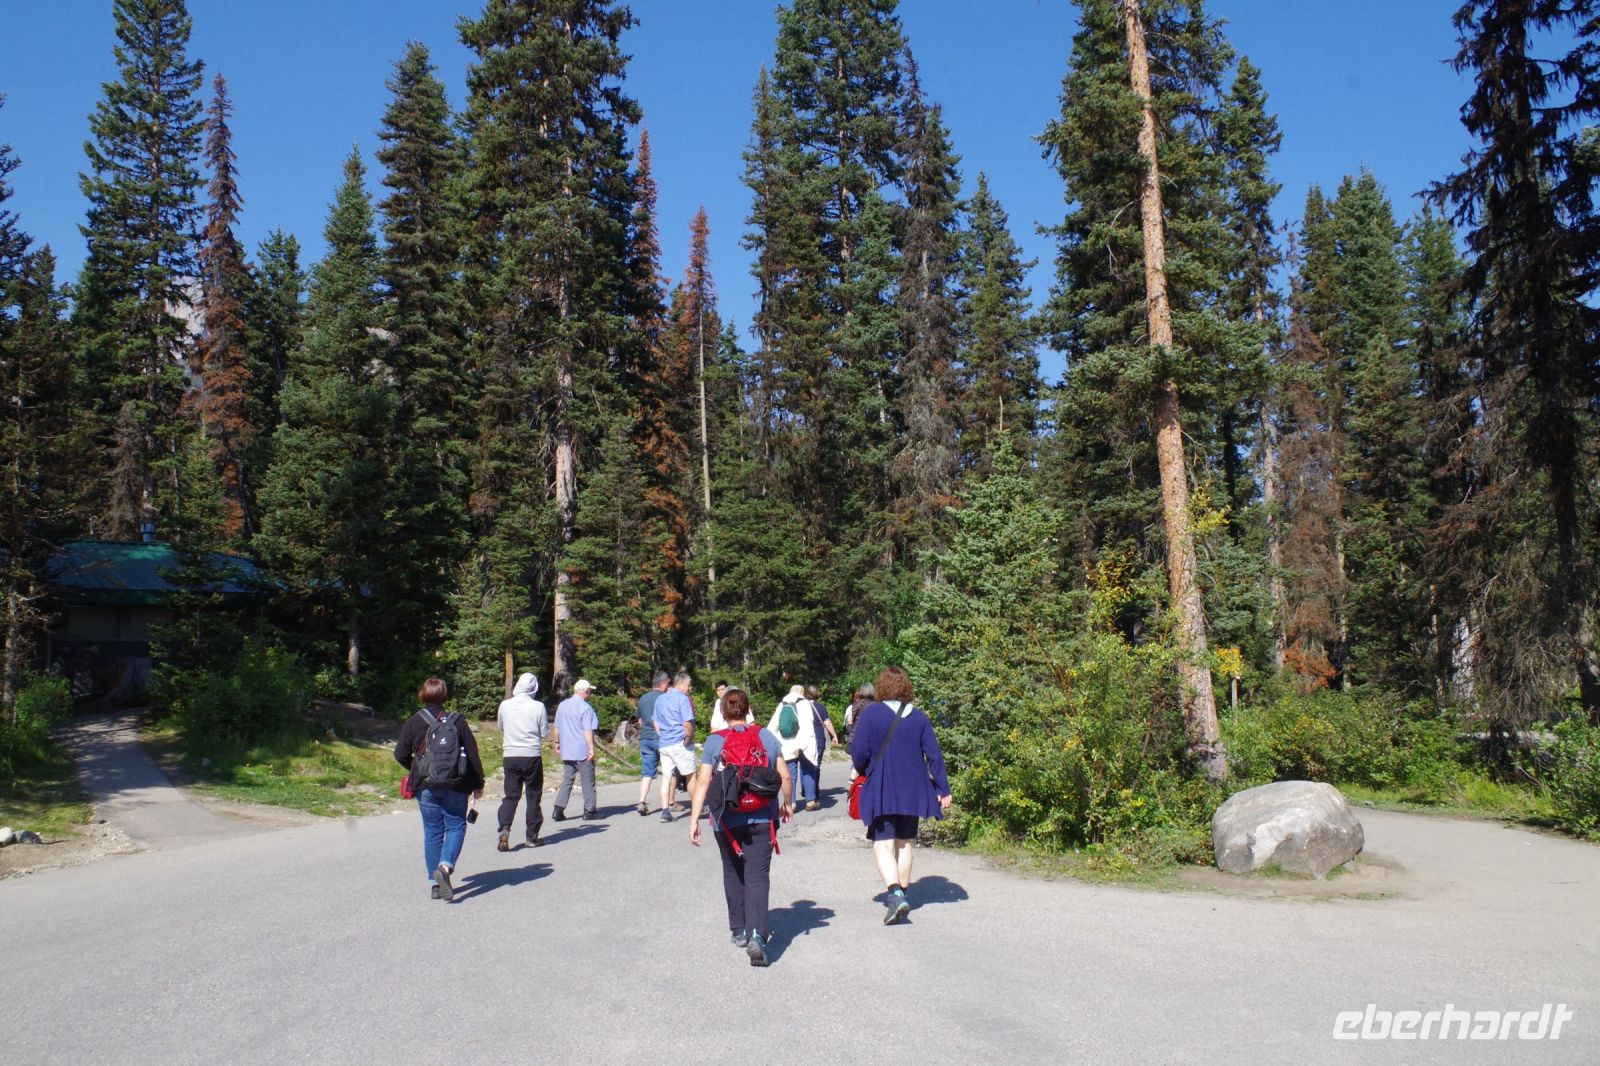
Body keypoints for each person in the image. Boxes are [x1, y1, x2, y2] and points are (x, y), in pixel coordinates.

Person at [688, 687, 793, 967]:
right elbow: (784, 775)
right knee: (757, 875)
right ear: (747, 709)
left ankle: (739, 930)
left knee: (732, 870)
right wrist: (788, 803)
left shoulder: (714, 741)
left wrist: (694, 819)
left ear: (723, 712)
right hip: (762, 817)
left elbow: (703, 782)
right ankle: (758, 934)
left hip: (726, 820)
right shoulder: (766, 737)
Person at [849, 666, 951, 925]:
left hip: (883, 785)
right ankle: (902, 894)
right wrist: (943, 789)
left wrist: (864, 769)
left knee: (883, 843)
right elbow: (934, 755)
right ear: (906, 687)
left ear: (881, 687)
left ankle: (895, 895)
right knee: (905, 843)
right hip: (914, 788)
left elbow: (858, 752)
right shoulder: (919, 717)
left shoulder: (871, 715)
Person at [394, 678, 485, 902]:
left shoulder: (415, 720)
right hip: (456, 784)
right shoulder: (457, 720)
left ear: (422, 695)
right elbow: (472, 754)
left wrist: (418, 768)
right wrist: (478, 783)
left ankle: (435, 885)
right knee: (456, 826)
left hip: (426, 786)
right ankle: (444, 868)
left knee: (433, 832)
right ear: (444, 695)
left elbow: (400, 754)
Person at [495, 672, 548, 850]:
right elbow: (544, 732)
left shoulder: (505, 705)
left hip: (510, 754)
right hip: (531, 754)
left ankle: (505, 827)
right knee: (533, 795)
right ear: (534, 688)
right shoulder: (538, 706)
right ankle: (531, 836)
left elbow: (500, 726)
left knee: (511, 795)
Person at [551, 679, 601, 821]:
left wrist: (557, 742)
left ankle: (558, 810)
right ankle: (589, 811)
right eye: (589, 691)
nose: (589, 694)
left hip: (567, 749)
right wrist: (591, 748)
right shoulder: (585, 708)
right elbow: (587, 730)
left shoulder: (563, 705)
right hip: (581, 749)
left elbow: (556, 725)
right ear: (586, 691)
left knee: (567, 779)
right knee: (588, 781)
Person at [653, 671, 697, 822]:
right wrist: (688, 739)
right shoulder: (682, 699)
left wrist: (663, 735)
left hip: (664, 743)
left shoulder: (660, 699)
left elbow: (656, 723)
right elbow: (687, 723)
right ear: (681, 684)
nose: (689, 688)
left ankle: (665, 811)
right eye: (688, 685)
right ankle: (697, 806)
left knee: (666, 777)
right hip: (679, 742)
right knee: (691, 775)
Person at [767, 684, 817, 812]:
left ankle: (792, 803)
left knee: (790, 774)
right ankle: (810, 801)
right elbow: (808, 724)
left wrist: (774, 743)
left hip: (786, 744)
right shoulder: (805, 703)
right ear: (802, 693)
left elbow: (772, 727)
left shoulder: (782, 704)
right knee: (808, 770)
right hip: (804, 742)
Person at [801, 684, 839, 811]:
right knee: (815, 766)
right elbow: (827, 723)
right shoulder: (820, 707)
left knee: (804, 765)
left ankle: (806, 790)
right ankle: (814, 792)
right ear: (817, 695)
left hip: (804, 740)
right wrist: (834, 736)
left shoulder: (801, 707)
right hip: (817, 739)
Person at [635, 671, 669, 816]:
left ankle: (642, 801)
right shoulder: (665, 698)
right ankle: (668, 803)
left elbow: (640, 721)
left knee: (647, 773)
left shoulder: (643, 698)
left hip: (646, 738)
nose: (668, 685)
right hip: (662, 738)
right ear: (662, 683)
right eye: (668, 682)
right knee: (668, 772)